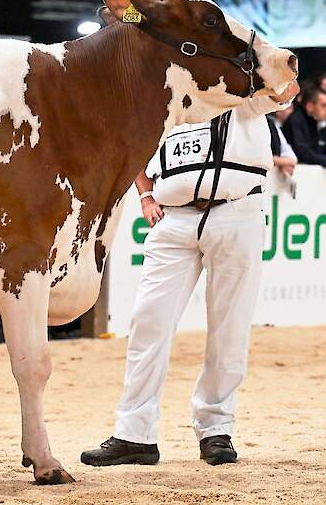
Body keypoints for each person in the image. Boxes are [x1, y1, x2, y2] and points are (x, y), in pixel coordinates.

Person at [80, 82, 300, 468]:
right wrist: (146, 196)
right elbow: (137, 149)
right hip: (173, 217)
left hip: (236, 212)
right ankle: (135, 435)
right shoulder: (165, 98)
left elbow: (286, 88)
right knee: (148, 322)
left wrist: (268, 60)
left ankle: (216, 429)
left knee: (229, 326)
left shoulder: (244, 93)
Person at [282, 85, 326, 171]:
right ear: (310, 106)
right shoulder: (295, 122)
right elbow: (303, 155)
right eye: (324, 105)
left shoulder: (321, 123)